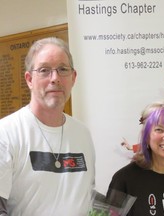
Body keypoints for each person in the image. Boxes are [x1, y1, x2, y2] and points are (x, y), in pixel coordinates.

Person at [0, 37, 96, 216]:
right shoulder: (6, 133)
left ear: (73, 78)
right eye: (44, 70)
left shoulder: (83, 134)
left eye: (62, 69)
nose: (55, 78)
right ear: (29, 79)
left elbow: (86, 197)